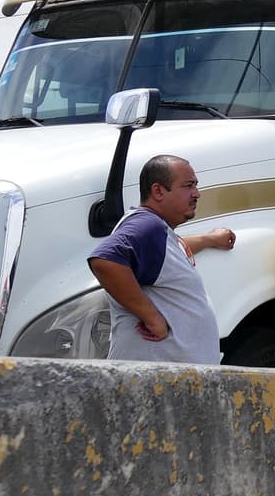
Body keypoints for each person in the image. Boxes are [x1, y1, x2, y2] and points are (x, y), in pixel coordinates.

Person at [88, 155, 236, 364]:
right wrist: (152, 317)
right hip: (154, 384)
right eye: (188, 186)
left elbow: (170, 250)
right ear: (158, 191)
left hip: (169, 382)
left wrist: (209, 239)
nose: (197, 194)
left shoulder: (156, 231)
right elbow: (105, 260)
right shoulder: (148, 225)